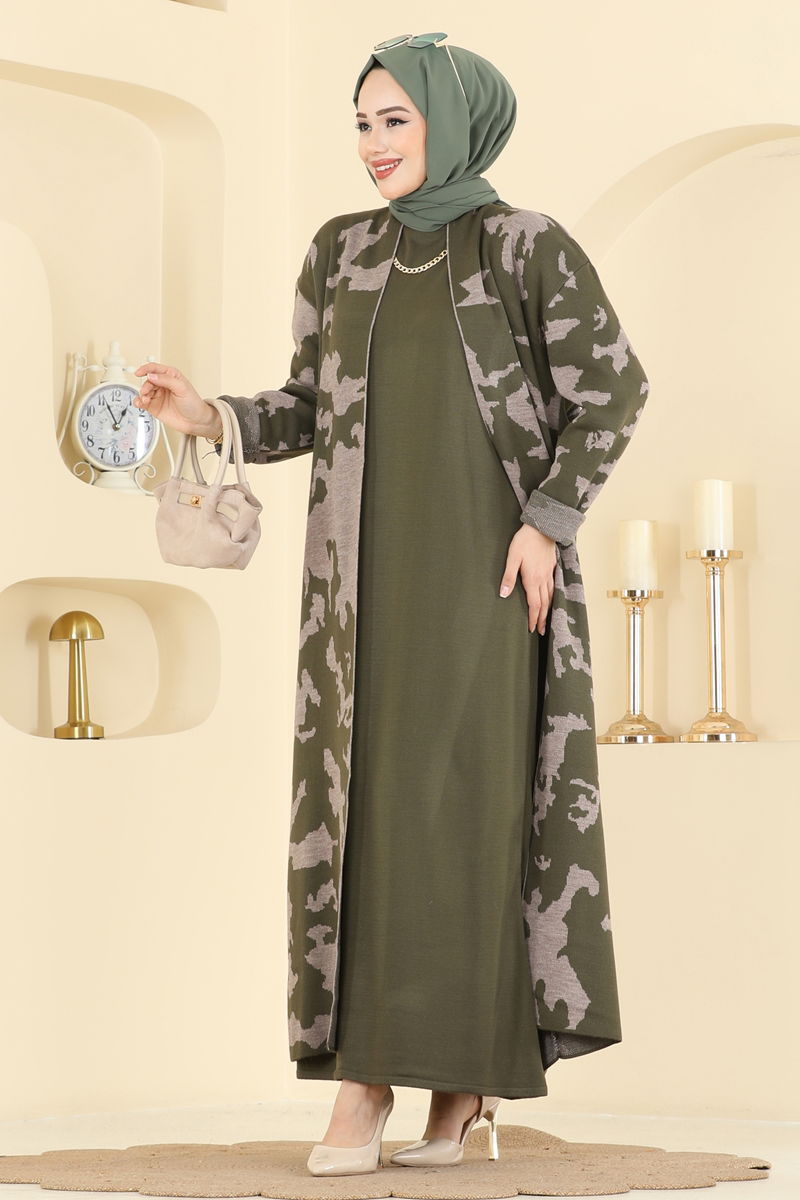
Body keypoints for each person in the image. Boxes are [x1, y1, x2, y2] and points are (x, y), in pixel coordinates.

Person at [134, 32, 649, 1180]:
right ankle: (375, 1081)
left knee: (463, 821)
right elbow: (309, 405)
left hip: (486, 582)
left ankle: (441, 1085)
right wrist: (209, 417)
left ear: (454, 122)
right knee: (365, 821)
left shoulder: (524, 246)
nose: (371, 144)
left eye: (394, 120)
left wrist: (546, 521)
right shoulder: (342, 252)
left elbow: (612, 389)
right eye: (361, 123)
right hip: (358, 593)